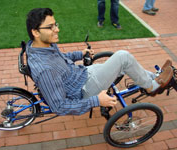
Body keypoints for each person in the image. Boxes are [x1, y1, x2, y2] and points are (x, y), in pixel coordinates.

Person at [26, 8, 173, 116]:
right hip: (83, 89)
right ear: (35, 32)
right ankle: (151, 86)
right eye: (50, 27)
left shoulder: (42, 45)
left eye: (55, 24)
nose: (57, 29)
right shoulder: (45, 69)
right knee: (123, 57)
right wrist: (96, 100)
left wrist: (80, 53)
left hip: (81, 74)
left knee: (121, 64)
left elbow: (60, 58)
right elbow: (59, 107)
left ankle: (155, 77)